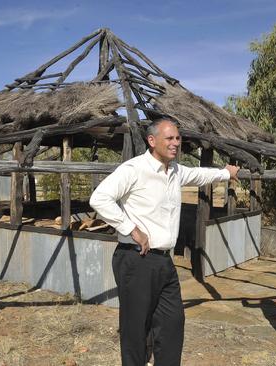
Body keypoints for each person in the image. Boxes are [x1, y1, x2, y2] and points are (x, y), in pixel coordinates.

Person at [89, 117, 239, 366]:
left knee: (172, 322)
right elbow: (100, 198)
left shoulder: (175, 171)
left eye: (178, 138)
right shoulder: (135, 169)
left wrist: (226, 173)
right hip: (136, 258)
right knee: (136, 329)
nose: (176, 143)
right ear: (152, 141)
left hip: (163, 261)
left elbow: (199, 175)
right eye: (169, 138)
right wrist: (131, 229)